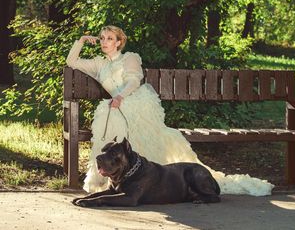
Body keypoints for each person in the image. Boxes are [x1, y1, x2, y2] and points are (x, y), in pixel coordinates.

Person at [66, 25, 273, 196]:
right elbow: (71, 61)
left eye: (109, 38)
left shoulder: (129, 58)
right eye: (101, 38)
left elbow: (134, 80)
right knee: (107, 117)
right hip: (115, 106)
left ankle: (142, 181)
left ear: (119, 42)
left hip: (133, 101)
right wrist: (83, 40)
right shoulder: (99, 64)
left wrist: (120, 97)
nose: (104, 42)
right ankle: (112, 178)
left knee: (115, 119)